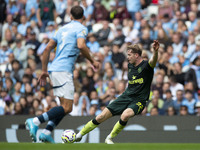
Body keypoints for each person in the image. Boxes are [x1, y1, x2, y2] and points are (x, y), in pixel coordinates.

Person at [25, 6, 99, 143]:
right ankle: (35, 121)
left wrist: (44, 70)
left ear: (70, 16)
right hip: (64, 70)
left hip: (55, 69)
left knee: (63, 108)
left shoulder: (61, 29)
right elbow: (81, 45)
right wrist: (93, 60)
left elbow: (47, 49)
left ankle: (46, 133)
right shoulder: (81, 28)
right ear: (83, 17)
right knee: (67, 107)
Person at [75, 40, 160, 144]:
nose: (127, 57)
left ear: (136, 55)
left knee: (125, 115)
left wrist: (155, 52)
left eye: (129, 55)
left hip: (139, 100)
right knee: (101, 116)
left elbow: (153, 61)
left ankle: (109, 138)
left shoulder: (146, 66)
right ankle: (79, 135)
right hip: (126, 96)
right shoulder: (130, 66)